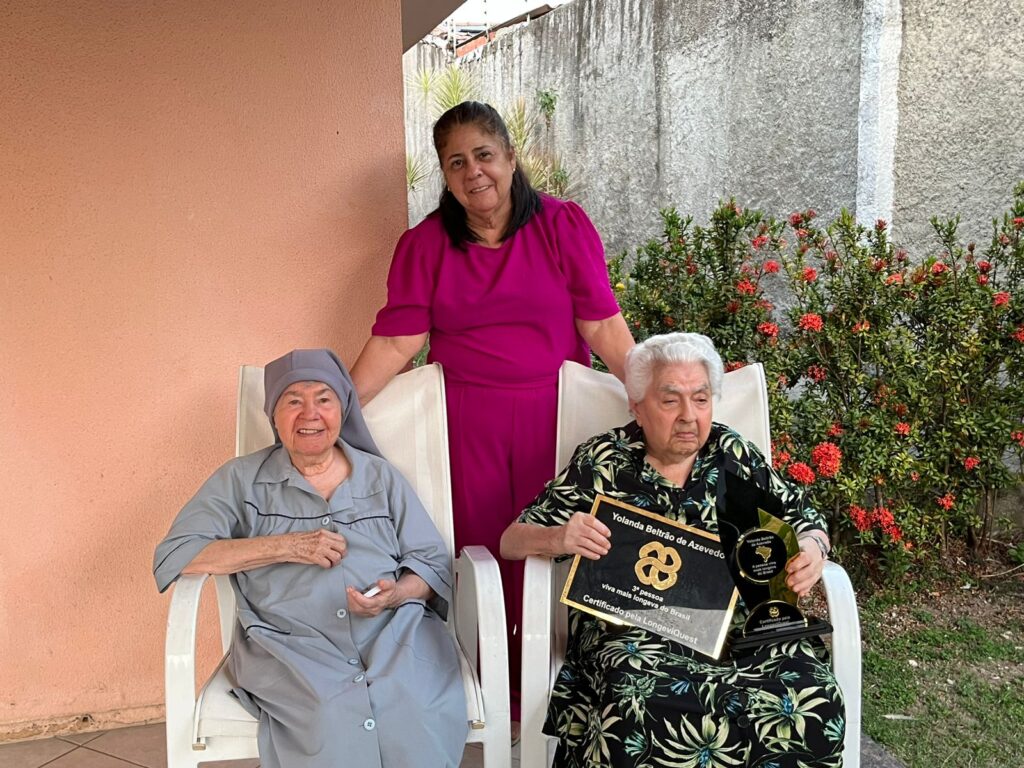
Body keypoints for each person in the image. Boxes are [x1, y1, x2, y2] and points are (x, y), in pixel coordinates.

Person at [351, 100, 635, 727]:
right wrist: (342, 405)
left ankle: (559, 687)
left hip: (555, 420)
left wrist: (648, 390)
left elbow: (600, 321)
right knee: (481, 553)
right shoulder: (424, 244)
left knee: (552, 547)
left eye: (483, 154)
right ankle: (488, 696)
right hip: (466, 423)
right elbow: (399, 339)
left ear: (510, 156)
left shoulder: (562, 225)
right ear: (445, 176)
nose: (473, 171)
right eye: (457, 162)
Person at [501, 333, 845, 768]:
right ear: (637, 407)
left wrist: (813, 547)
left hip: (734, 631)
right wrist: (559, 538)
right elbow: (511, 539)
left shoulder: (732, 454)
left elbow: (804, 518)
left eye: (701, 400)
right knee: (636, 697)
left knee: (812, 690)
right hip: (631, 634)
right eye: (670, 401)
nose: (689, 416)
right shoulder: (604, 461)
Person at [153, 349, 467, 768]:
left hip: (393, 636)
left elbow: (430, 561)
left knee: (415, 709)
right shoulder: (240, 479)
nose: (310, 413)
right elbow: (177, 554)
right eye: (293, 400)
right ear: (273, 414)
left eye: (324, 399)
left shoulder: (379, 475)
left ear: (342, 409)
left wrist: (395, 596)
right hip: (290, 645)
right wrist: (286, 546)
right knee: (327, 716)